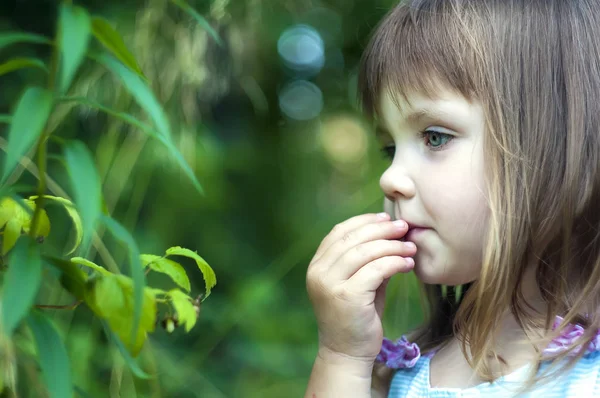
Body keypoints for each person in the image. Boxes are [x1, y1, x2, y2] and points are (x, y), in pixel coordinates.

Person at [304, 0, 600, 397]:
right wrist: (342, 357)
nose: (390, 178)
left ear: (557, 149)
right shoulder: (401, 373)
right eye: (390, 149)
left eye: (435, 137)